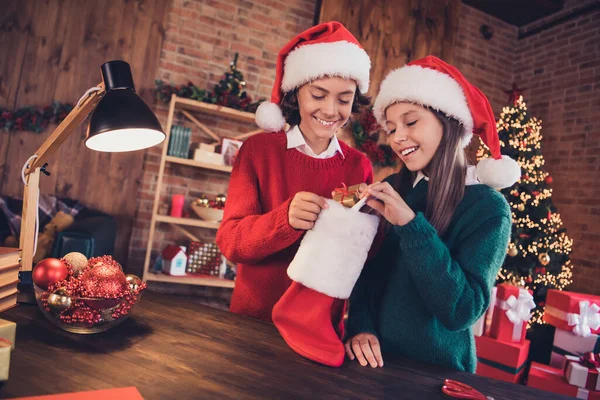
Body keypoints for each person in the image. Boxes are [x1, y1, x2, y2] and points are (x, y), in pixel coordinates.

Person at [345, 55, 521, 372]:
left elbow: (461, 310)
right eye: (391, 127)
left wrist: (412, 226)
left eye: (411, 122)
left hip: (439, 375)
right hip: (372, 365)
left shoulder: (488, 208)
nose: (397, 137)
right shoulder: (391, 188)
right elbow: (365, 275)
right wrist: (360, 326)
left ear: (449, 122)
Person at [216, 21, 373, 334]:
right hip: (253, 324)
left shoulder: (359, 166)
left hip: (321, 330)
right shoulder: (258, 151)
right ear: (296, 93)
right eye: (318, 95)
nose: (331, 110)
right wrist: (283, 220)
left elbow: (362, 259)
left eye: (344, 99)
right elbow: (230, 243)